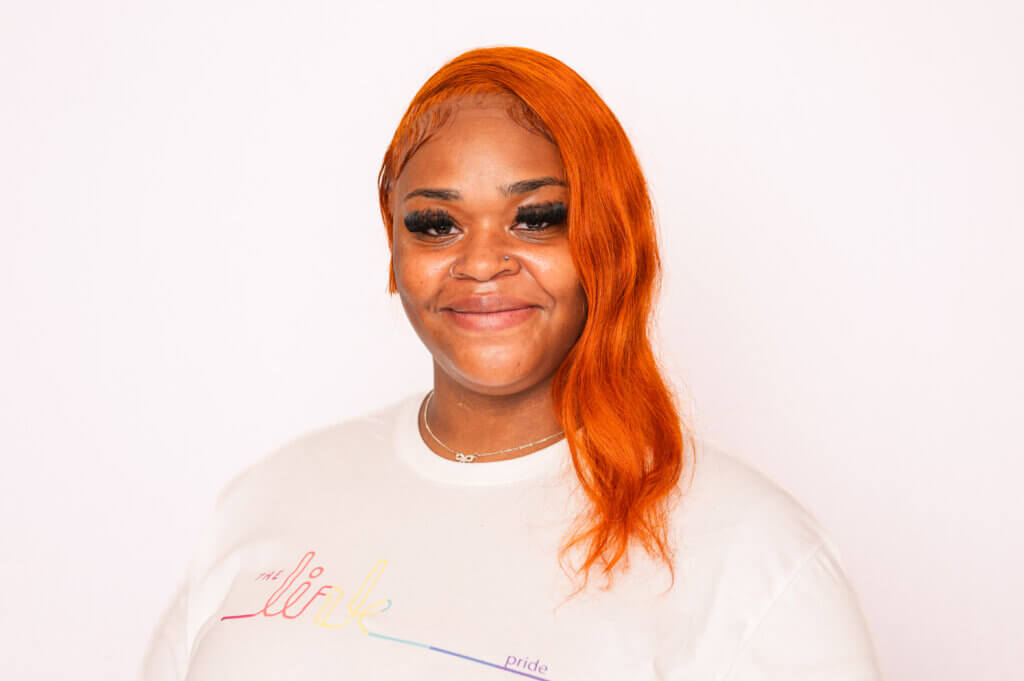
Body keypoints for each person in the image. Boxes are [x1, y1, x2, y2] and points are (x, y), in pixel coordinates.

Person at [139, 46, 883, 680]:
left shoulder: (753, 554)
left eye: (537, 217)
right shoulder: (266, 498)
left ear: (606, 238)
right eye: (436, 223)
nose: (484, 261)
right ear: (394, 250)